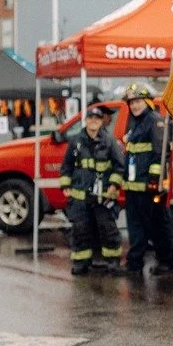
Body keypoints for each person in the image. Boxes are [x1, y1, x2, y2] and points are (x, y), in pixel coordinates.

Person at [60, 103, 125, 276]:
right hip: (80, 196)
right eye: (90, 118)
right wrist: (66, 186)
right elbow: (66, 165)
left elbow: (120, 167)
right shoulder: (75, 141)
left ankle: (112, 262)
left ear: (101, 121)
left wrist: (113, 185)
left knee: (108, 229)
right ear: (86, 120)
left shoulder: (110, 141)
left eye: (97, 119)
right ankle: (81, 262)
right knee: (80, 229)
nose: (93, 121)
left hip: (103, 195)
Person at [118, 83, 173, 275]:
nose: (134, 106)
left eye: (137, 101)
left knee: (157, 225)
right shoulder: (134, 123)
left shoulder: (154, 121)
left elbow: (160, 153)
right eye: (132, 102)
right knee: (135, 228)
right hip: (133, 187)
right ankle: (134, 263)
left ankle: (167, 261)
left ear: (148, 102)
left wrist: (154, 180)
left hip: (149, 187)